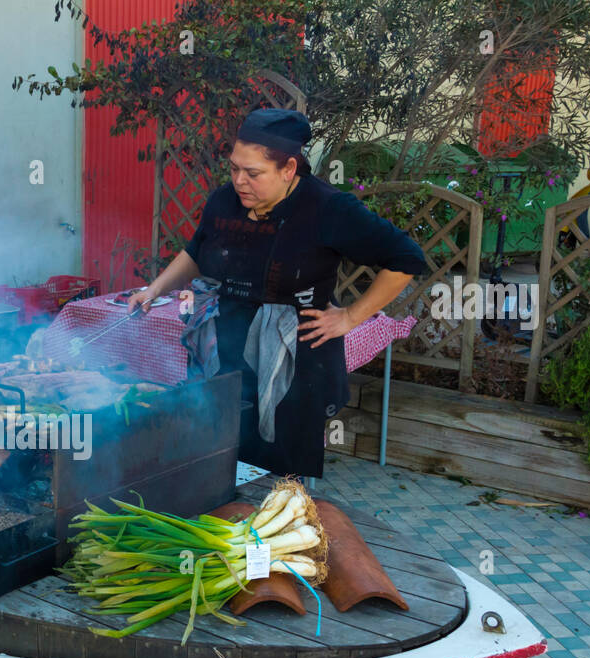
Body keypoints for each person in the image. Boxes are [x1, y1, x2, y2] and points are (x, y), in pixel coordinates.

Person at [127, 107, 427, 478]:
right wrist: (154, 289)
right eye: (234, 168)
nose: (239, 181)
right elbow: (196, 250)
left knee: (279, 468)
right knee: (217, 453)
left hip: (293, 356)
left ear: (288, 169)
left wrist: (350, 317)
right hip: (227, 347)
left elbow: (406, 260)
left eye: (253, 173)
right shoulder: (224, 201)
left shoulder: (328, 209)